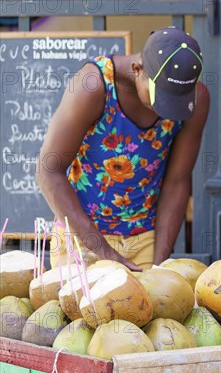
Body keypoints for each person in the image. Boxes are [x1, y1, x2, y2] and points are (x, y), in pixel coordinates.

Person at [37, 27, 210, 271]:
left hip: (146, 241)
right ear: (137, 70)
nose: (167, 111)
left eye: (176, 102)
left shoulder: (195, 99)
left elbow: (177, 181)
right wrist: (104, 252)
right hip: (82, 239)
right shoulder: (93, 86)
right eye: (160, 99)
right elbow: (48, 172)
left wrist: (158, 265)